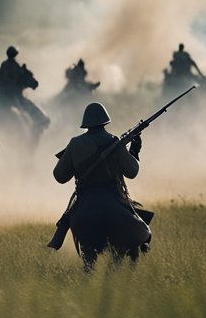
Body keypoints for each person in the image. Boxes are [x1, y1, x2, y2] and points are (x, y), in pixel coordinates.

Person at [53, 102, 150, 264]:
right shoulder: (114, 142)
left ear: (86, 124)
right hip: (113, 197)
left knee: (89, 261)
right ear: (105, 121)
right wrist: (134, 150)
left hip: (85, 200)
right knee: (140, 224)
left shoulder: (75, 143)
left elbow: (59, 176)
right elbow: (132, 172)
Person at [0, 45, 50, 131]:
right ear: (15, 54)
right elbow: (18, 80)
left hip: (0, 94)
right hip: (13, 96)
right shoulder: (15, 66)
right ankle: (39, 125)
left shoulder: (5, 65)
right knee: (38, 115)